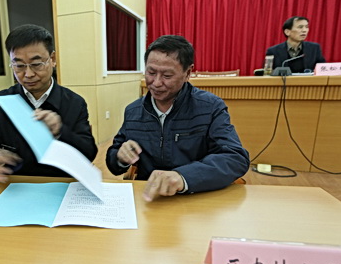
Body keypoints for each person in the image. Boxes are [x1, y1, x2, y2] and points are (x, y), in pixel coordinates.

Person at [106, 35, 250, 201]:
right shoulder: (133, 111)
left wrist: (183, 177)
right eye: (151, 73)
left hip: (197, 196)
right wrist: (120, 157)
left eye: (167, 76)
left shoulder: (210, 107)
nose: (156, 83)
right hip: (150, 198)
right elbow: (114, 163)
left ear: (187, 73)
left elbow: (235, 158)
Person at [0, 24, 97, 182]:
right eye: (19, 66)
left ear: (52, 59)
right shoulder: (1, 102)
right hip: (16, 184)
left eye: (36, 64)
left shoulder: (74, 102)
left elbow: (88, 153)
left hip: (60, 183)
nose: (28, 74)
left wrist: (60, 131)